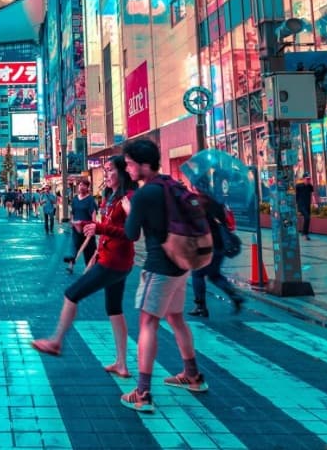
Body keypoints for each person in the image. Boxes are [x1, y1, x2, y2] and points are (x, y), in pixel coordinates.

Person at [120, 139, 208, 413]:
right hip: (181, 265)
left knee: (148, 324)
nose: (127, 169)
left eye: (130, 164)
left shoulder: (144, 194)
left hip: (159, 267)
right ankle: (192, 375)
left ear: (144, 164)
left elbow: (131, 234)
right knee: (176, 318)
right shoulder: (170, 184)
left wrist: (129, 211)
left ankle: (143, 393)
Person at [32, 155, 136, 378]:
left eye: (110, 170)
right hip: (113, 259)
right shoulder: (110, 197)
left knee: (72, 294)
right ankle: (121, 363)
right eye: (105, 170)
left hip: (114, 262)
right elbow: (107, 227)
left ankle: (56, 341)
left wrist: (99, 229)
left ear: (123, 172)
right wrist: (93, 235)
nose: (106, 174)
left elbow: (131, 233)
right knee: (114, 309)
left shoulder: (128, 198)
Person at [188, 190, 245, 317]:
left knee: (197, 274)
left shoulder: (200, 205)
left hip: (206, 246)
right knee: (214, 275)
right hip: (220, 245)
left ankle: (200, 306)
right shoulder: (218, 204)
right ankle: (234, 295)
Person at [67, 178, 97, 265]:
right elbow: (73, 212)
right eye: (80, 185)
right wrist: (72, 222)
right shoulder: (75, 199)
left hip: (87, 229)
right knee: (74, 248)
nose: (81, 187)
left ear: (87, 187)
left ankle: (90, 268)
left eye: (84, 185)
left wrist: (93, 226)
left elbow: (93, 213)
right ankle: (70, 265)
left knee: (89, 253)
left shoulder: (90, 199)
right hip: (76, 229)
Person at [295, 175, 316, 240]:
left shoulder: (310, 186)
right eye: (307, 179)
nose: (308, 180)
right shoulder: (298, 186)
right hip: (301, 205)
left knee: (308, 218)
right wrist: (295, 204)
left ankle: (305, 233)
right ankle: (304, 234)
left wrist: (314, 203)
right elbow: (294, 194)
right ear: (303, 179)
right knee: (307, 217)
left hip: (307, 205)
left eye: (309, 179)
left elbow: (312, 195)